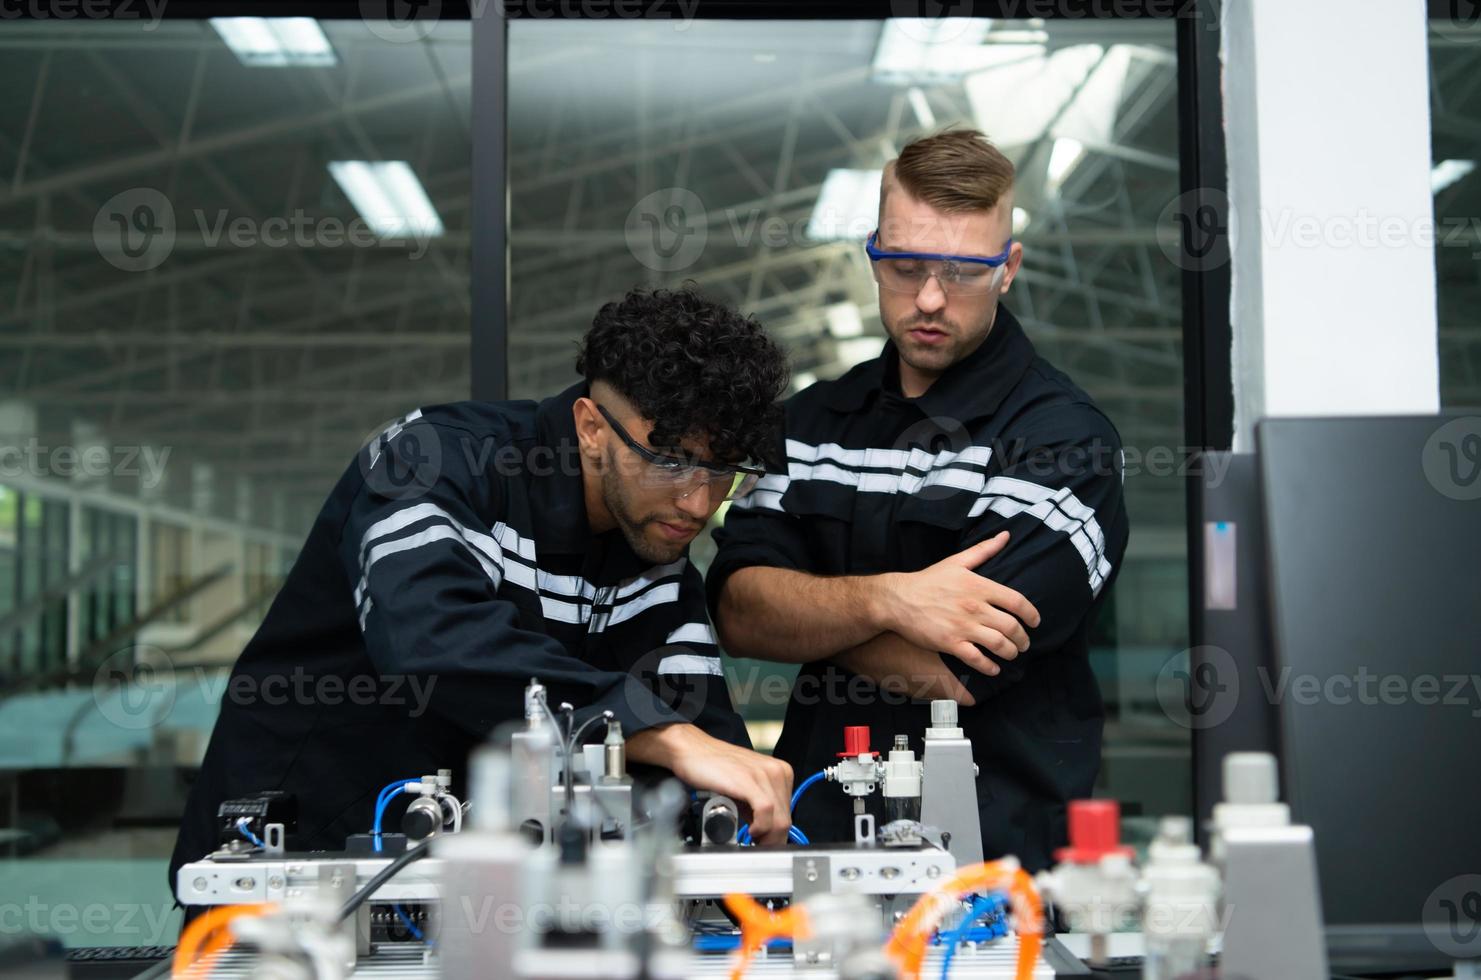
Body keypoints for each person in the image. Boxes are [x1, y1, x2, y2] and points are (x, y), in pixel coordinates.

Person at [170, 285, 795, 899]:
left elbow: (699, 731)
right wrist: (656, 732)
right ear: (590, 428)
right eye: (670, 461)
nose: (698, 503)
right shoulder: (433, 459)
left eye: (724, 473)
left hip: (472, 890)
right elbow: (432, 640)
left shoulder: (656, 550)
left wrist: (746, 813)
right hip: (297, 862)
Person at [708, 129, 1130, 871]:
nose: (929, 298)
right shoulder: (806, 425)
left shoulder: (1064, 443)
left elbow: (950, 672)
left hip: (995, 863)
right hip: (817, 842)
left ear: (1009, 269)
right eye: (904, 266)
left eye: (963, 273)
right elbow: (738, 613)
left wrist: (806, 612)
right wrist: (889, 600)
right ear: (872, 252)